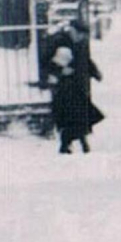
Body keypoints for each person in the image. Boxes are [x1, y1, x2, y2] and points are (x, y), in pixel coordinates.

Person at [45, 17, 104, 153]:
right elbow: (45, 61)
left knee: (80, 113)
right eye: (81, 34)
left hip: (76, 84)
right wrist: (60, 70)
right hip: (63, 85)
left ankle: (76, 143)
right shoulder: (59, 42)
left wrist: (95, 72)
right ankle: (68, 145)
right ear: (73, 31)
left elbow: (86, 60)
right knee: (70, 115)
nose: (82, 37)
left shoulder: (78, 43)